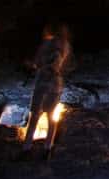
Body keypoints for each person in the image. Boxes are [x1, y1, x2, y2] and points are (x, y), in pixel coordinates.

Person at [22, 24, 73, 152]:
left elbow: (38, 62)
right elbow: (67, 66)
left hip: (43, 82)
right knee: (51, 116)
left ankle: (26, 148)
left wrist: (34, 65)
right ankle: (47, 148)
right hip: (57, 83)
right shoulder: (67, 46)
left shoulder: (47, 43)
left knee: (35, 115)